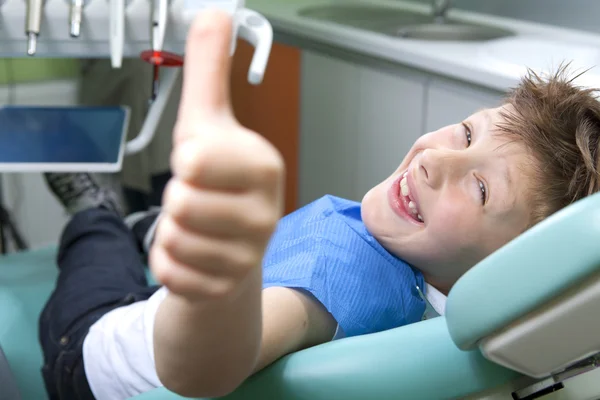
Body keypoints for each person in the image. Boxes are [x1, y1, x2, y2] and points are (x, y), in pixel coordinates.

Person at [38, 10, 600, 400]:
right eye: (465, 132)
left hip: (91, 353)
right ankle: (155, 229)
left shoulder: (338, 280)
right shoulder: (437, 292)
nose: (435, 160)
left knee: (97, 247)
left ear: (502, 266)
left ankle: (100, 212)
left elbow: (201, 370)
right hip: (164, 306)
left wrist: (215, 284)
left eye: (480, 189)